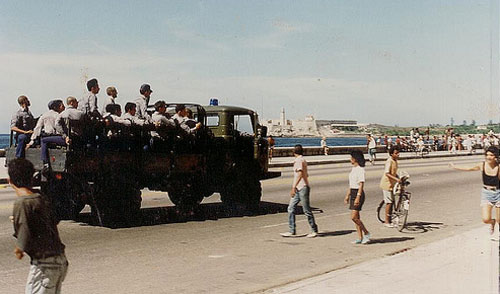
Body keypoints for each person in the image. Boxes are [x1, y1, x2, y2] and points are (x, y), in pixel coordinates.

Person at [8, 158, 68, 293]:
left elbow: (24, 232)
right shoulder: (40, 197)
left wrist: (19, 249)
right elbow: (52, 220)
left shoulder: (22, 203)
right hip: (59, 259)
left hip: (44, 265)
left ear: (10, 181)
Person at [449, 146, 500, 239]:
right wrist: (454, 166)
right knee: (486, 219)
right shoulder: (482, 165)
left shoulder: (498, 167)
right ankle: (492, 222)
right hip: (487, 194)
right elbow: (469, 168)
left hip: (498, 193)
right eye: (487, 155)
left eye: (491, 155)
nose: (488, 157)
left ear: (496, 156)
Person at [281, 144, 319, 238]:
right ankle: (292, 230)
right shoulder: (302, 160)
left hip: (302, 188)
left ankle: (314, 230)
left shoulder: (299, 161)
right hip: (300, 188)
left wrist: (293, 187)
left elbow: (300, 174)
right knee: (291, 208)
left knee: (306, 210)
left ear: (294, 152)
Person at [26, 100, 69, 167]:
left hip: (48, 137)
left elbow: (38, 128)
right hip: (57, 137)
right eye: (62, 106)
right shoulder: (59, 115)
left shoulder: (44, 115)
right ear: (56, 107)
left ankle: (45, 162)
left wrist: (32, 141)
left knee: (43, 140)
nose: (64, 107)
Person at [344, 150, 370, 244]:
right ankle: (360, 237)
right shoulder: (353, 169)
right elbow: (351, 184)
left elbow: (361, 184)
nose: (350, 159)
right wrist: (347, 195)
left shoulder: (360, 169)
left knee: (353, 217)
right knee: (357, 217)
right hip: (353, 192)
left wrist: (358, 197)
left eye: (351, 157)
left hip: (358, 193)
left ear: (355, 159)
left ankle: (366, 233)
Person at [379, 145, 400, 227]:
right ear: (391, 154)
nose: (398, 155)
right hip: (386, 184)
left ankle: (390, 219)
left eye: (398, 153)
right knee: (389, 203)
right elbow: (387, 173)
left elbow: (394, 172)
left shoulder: (395, 161)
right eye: (396, 153)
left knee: (391, 201)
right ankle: (387, 222)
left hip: (392, 184)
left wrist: (398, 177)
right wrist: (396, 179)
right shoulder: (389, 161)